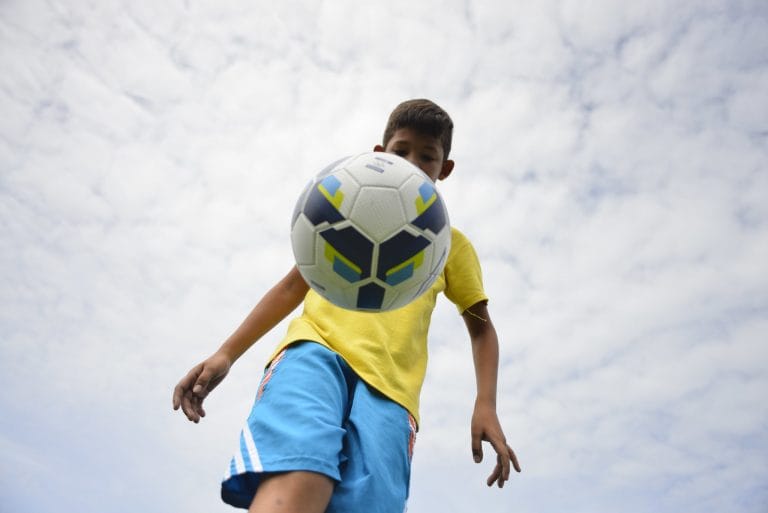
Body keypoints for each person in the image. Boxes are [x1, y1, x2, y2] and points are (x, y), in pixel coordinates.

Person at [172, 99, 521, 513]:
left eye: (427, 157)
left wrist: (486, 403)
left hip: (392, 395)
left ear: (444, 169)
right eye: (401, 151)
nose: (412, 163)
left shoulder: (450, 245)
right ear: (380, 154)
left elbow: (481, 327)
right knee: (300, 472)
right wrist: (226, 353)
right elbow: (292, 286)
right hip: (315, 352)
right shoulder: (346, 207)